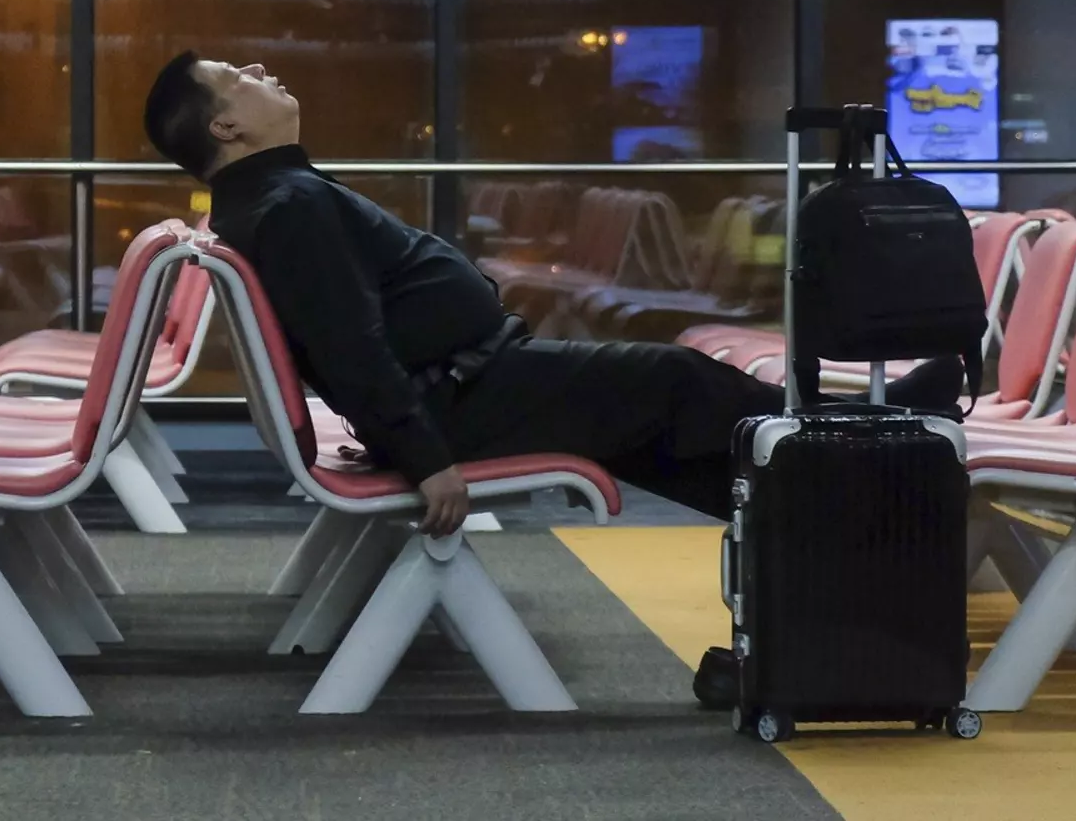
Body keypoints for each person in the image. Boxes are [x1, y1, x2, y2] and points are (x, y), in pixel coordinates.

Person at [142, 52, 966, 704]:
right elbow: (352, 345)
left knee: (679, 439)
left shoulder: (274, 198)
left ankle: (834, 544)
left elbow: (353, 338)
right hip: (466, 400)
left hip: (469, 386)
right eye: (237, 77)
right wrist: (425, 455)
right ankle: (861, 448)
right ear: (225, 124)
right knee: (678, 382)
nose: (259, 71)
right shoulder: (289, 205)